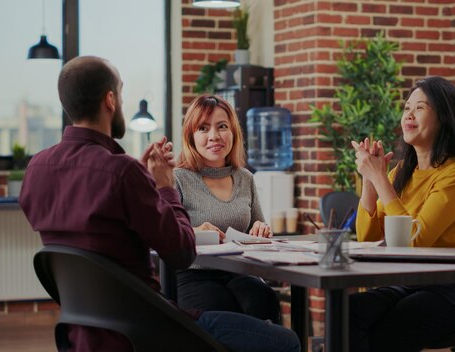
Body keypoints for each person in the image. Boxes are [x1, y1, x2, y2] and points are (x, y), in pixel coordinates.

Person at [19, 56, 300, 352]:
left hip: (83, 328)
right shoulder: (123, 172)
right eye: (123, 95)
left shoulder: (37, 168)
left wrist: (141, 184)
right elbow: (180, 254)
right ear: (111, 100)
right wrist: (163, 187)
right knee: (286, 341)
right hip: (148, 327)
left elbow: (91, 229)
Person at [349, 76, 455, 352]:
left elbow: (413, 242)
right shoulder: (401, 173)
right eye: (407, 108)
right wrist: (369, 182)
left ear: (444, 118)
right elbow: (367, 236)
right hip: (412, 282)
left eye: (420, 108)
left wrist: (381, 181)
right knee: (349, 311)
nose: (408, 115)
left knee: (391, 328)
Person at [173, 94, 281, 323]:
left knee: (265, 301)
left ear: (233, 132)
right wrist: (194, 231)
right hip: (194, 274)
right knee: (224, 312)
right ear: (191, 136)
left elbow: (257, 233)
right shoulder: (178, 178)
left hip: (239, 272)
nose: (214, 136)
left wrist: (261, 229)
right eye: (203, 128)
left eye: (222, 127)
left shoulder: (245, 178)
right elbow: (164, 234)